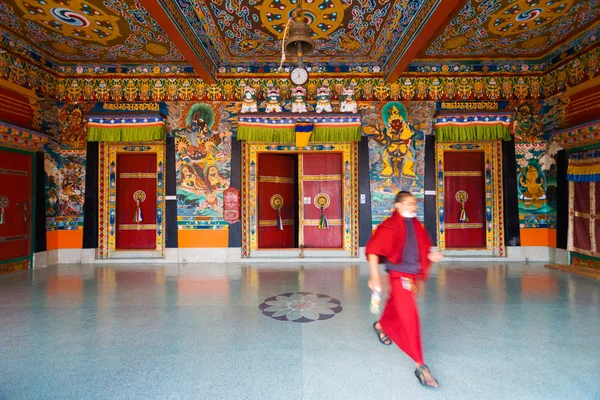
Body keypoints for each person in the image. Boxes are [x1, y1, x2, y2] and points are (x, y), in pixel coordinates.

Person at [366, 191, 444, 388]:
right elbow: (374, 251)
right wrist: (375, 276)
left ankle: (381, 325)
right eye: (408, 203)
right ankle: (420, 365)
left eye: (414, 203)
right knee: (410, 317)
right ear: (398, 205)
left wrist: (430, 257)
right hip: (398, 276)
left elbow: (421, 249)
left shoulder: (416, 225)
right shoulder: (390, 226)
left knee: (395, 306)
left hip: (411, 277)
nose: (413, 207)